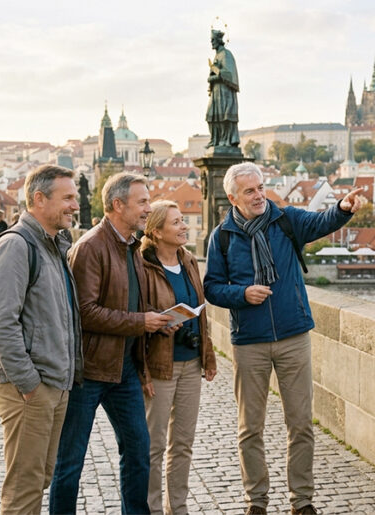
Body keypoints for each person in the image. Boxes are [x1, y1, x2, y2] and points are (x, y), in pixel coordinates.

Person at [203, 162, 363, 515]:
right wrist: (242, 294)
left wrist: (343, 208)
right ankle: (256, 502)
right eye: (250, 191)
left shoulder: (286, 219)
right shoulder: (223, 236)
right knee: (250, 429)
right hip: (249, 341)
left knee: (301, 424)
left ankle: (302, 501)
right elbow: (212, 287)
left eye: (261, 187)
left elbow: (323, 221)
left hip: (293, 335)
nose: (259, 195)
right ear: (233, 197)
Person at [50, 172, 176, 515]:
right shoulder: (91, 247)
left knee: (138, 450)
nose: (149, 208)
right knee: (70, 461)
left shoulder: (131, 245)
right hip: (88, 371)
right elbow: (85, 313)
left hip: (123, 369)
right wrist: (140, 322)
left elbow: (125, 301)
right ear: (118, 205)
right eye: (143, 202)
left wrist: (155, 319)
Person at [0, 164, 82, 514]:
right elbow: (0, 322)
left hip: (53, 382)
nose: (75, 205)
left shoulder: (54, 244)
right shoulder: (16, 245)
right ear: (38, 199)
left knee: (39, 478)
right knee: (24, 487)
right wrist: (29, 384)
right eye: (67, 197)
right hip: (29, 387)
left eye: (76, 196)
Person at [141, 200, 217, 515]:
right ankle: (153, 509)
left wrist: (208, 355)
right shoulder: (142, 266)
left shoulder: (187, 260)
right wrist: (158, 324)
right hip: (160, 364)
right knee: (154, 446)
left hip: (190, 362)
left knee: (183, 443)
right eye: (176, 222)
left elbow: (200, 312)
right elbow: (137, 317)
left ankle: (180, 507)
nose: (184, 226)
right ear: (156, 232)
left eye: (183, 220)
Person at [205, 29, 239, 149]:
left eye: (213, 40)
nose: (211, 42)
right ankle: (215, 139)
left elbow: (229, 74)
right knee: (210, 116)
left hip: (224, 92)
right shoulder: (217, 56)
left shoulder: (226, 54)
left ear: (219, 40)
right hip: (216, 92)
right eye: (211, 40)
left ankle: (225, 140)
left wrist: (214, 75)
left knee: (224, 116)